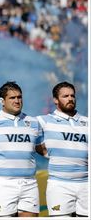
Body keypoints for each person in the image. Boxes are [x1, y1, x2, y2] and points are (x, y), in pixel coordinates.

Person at [0, 81, 41, 217]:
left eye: (19, 97)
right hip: (2, 185)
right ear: (2, 101)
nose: (17, 101)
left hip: (29, 183)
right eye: (12, 97)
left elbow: (45, 150)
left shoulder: (34, 122)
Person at [35, 82, 88, 217]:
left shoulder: (87, 122)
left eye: (72, 95)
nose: (70, 98)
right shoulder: (42, 121)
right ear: (55, 100)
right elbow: (17, 123)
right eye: (65, 96)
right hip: (59, 185)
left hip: (86, 185)